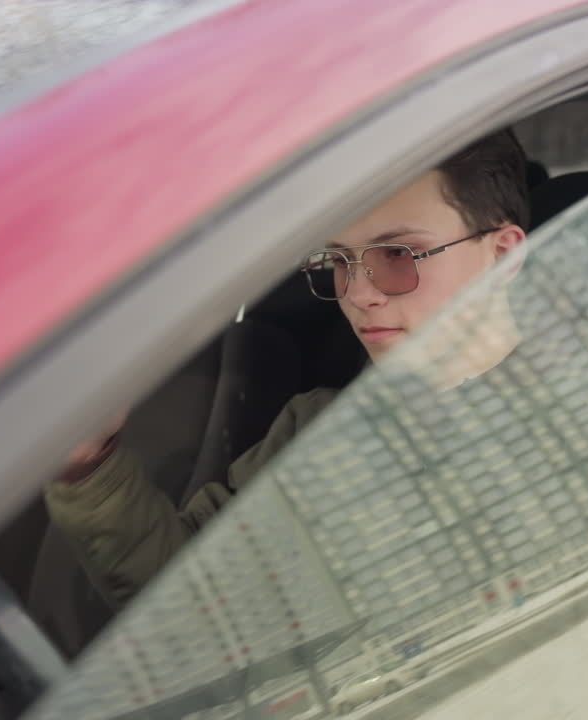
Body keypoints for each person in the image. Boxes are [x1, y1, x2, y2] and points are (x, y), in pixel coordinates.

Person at [45, 129, 531, 608]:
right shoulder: (317, 427)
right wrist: (88, 463)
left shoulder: (583, 411)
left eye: (396, 256)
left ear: (503, 256)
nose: (358, 293)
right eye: (340, 260)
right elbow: (192, 603)